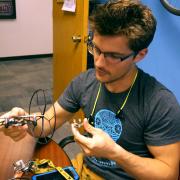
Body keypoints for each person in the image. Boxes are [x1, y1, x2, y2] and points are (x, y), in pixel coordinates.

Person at [1, 0, 180, 179]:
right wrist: (25, 124)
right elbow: (46, 125)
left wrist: (115, 153)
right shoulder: (85, 81)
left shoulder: (160, 102)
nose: (99, 63)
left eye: (113, 56)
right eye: (95, 48)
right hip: (83, 170)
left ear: (140, 55)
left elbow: (168, 173)